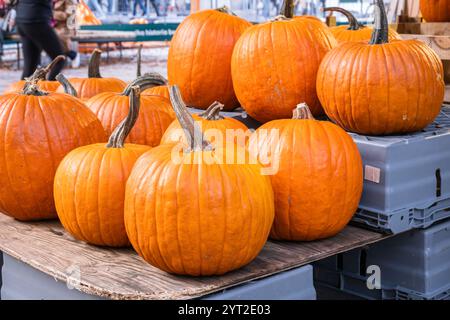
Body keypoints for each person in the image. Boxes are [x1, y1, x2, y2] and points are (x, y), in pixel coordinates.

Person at [15, 0, 66, 80]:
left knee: (30, 66)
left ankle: (22, 91)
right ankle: (51, 88)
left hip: (21, 20)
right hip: (37, 20)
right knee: (59, 59)